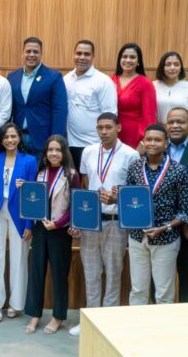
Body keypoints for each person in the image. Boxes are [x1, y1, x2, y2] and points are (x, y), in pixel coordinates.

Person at [67, 113, 139, 337]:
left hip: (116, 221)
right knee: (91, 272)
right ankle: (90, 319)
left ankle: (108, 322)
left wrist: (117, 198)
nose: (104, 132)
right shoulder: (88, 151)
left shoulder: (131, 154)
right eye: (100, 128)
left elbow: (135, 191)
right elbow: (86, 184)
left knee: (113, 272)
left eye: (108, 127)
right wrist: (79, 218)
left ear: (118, 127)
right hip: (91, 221)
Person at [124, 123, 188, 305]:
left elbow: (185, 211)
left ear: (166, 143)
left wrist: (164, 228)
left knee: (163, 293)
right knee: (137, 290)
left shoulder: (179, 171)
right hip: (137, 237)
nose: (152, 143)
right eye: (149, 139)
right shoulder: (135, 167)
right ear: (143, 142)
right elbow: (128, 199)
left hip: (165, 239)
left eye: (157, 140)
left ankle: (163, 333)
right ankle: (137, 331)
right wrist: (116, 198)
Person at [24, 135, 78, 335]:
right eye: (50, 150)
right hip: (40, 229)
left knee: (59, 275)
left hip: (59, 231)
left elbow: (74, 206)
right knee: (36, 272)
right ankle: (35, 314)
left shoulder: (72, 175)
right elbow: (32, 200)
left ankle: (57, 316)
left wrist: (58, 223)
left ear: (64, 153)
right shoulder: (39, 172)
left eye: (57, 150)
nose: (54, 153)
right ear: (45, 153)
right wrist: (24, 188)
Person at [0, 123, 37, 322]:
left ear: (20, 138)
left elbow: (33, 194)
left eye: (14, 136)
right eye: (6, 137)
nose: (10, 140)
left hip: (20, 213)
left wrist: (30, 225)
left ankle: (16, 304)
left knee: (19, 257)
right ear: (1, 140)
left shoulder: (30, 161)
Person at [8, 37, 68, 158]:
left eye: (36, 52)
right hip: (17, 140)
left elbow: (60, 110)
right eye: (28, 51)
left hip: (43, 140)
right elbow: (8, 109)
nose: (31, 54)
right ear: (22, 53)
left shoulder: (54, 77)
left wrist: (55, 140)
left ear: (41, 54)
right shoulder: (12, 77)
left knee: (39, 176)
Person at [64, 40, 117, 169]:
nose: (82, 57)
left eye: (86, 54)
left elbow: (110, 114)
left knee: (90, 185)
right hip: (69, 144)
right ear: (73, 55)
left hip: (93, 144)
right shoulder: (66, 79)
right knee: (74, 185)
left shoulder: (103, 81)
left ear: (93, 56)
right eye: (79, 53)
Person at [111, 43, 157, 150]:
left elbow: (149, 117)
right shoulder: (111, 80)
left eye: (132, 57)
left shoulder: (145, 83)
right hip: (113, 133)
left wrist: (143, 142)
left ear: (138, 61)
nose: (128, 60)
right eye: (124, 56)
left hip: (135, 136)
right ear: (119, 59)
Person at [166, 108, 188, 302]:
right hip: (162, 225)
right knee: (159, 280)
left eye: (180, 122)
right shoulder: (156, 146)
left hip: (187, 226)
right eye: (171, 122)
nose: (175, 126)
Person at [153, 52, 188, 124]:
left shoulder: (186, 86)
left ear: (181, 68)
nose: (172, 68)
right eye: (168, 64)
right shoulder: (153, 86)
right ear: (162, 67)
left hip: (182, 131)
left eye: (176, 64)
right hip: (159, 131)